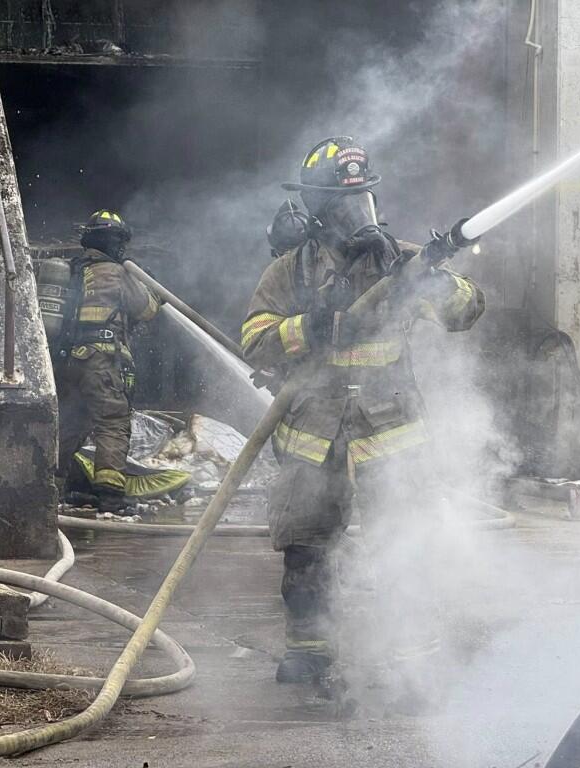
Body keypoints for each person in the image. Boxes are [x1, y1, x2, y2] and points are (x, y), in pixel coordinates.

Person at [241, 137, 485, 684]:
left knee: (405, 545)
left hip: (390, 432)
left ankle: (413, 658)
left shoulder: (401, 263)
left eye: (364, 200)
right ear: (317, 208)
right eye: (344, 203)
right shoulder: (290, 273)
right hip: (313, 436)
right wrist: (311, 326)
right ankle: (308, 652)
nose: (357, 215)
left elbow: (467, 311)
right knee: (305, 548)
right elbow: (255, 341)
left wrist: (430, 277)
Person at [57, 210, 161, 514]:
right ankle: (111, 497)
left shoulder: (71, 272)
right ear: (116, 243)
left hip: (67, 361)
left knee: (71, 423)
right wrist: (151, 287)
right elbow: (146, 309)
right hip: (101, 361)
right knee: (112, 423)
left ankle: (51, 485)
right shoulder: (117, 273)